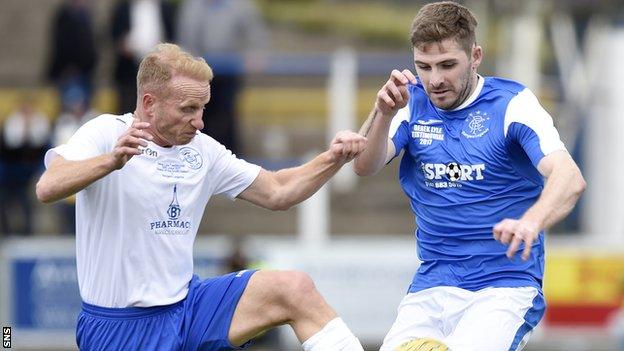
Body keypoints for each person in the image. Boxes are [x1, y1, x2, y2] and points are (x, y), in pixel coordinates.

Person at [36, 43, 366, 351]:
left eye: (203, 107)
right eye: (189, 109)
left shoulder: (203, 150)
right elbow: (47, 187)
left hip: (189, 307)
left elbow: (278, 191)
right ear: (149, 103)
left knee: (294, 288)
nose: (200, 121)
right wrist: (111, 161)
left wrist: (333, 158)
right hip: (119, 328)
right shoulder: (106, 132)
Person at [353, 2, 586, 351]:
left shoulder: (513, 104)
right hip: (431, 286)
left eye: (448, 65)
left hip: (503, 287)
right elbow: (364, 166)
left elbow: (569, 177)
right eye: (424, 66)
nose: (435, 80)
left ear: (475, 56)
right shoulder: (410, 101)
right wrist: (382, 113)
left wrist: (531, 222)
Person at [176, 0, 268, 155]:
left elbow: (255, 35)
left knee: (227, 119)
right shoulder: (192, 6)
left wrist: (254, 55)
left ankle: (229, 162)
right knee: (198, 118)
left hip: (230, 75)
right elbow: (185, 40)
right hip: (198, 75)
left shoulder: (242, 6)